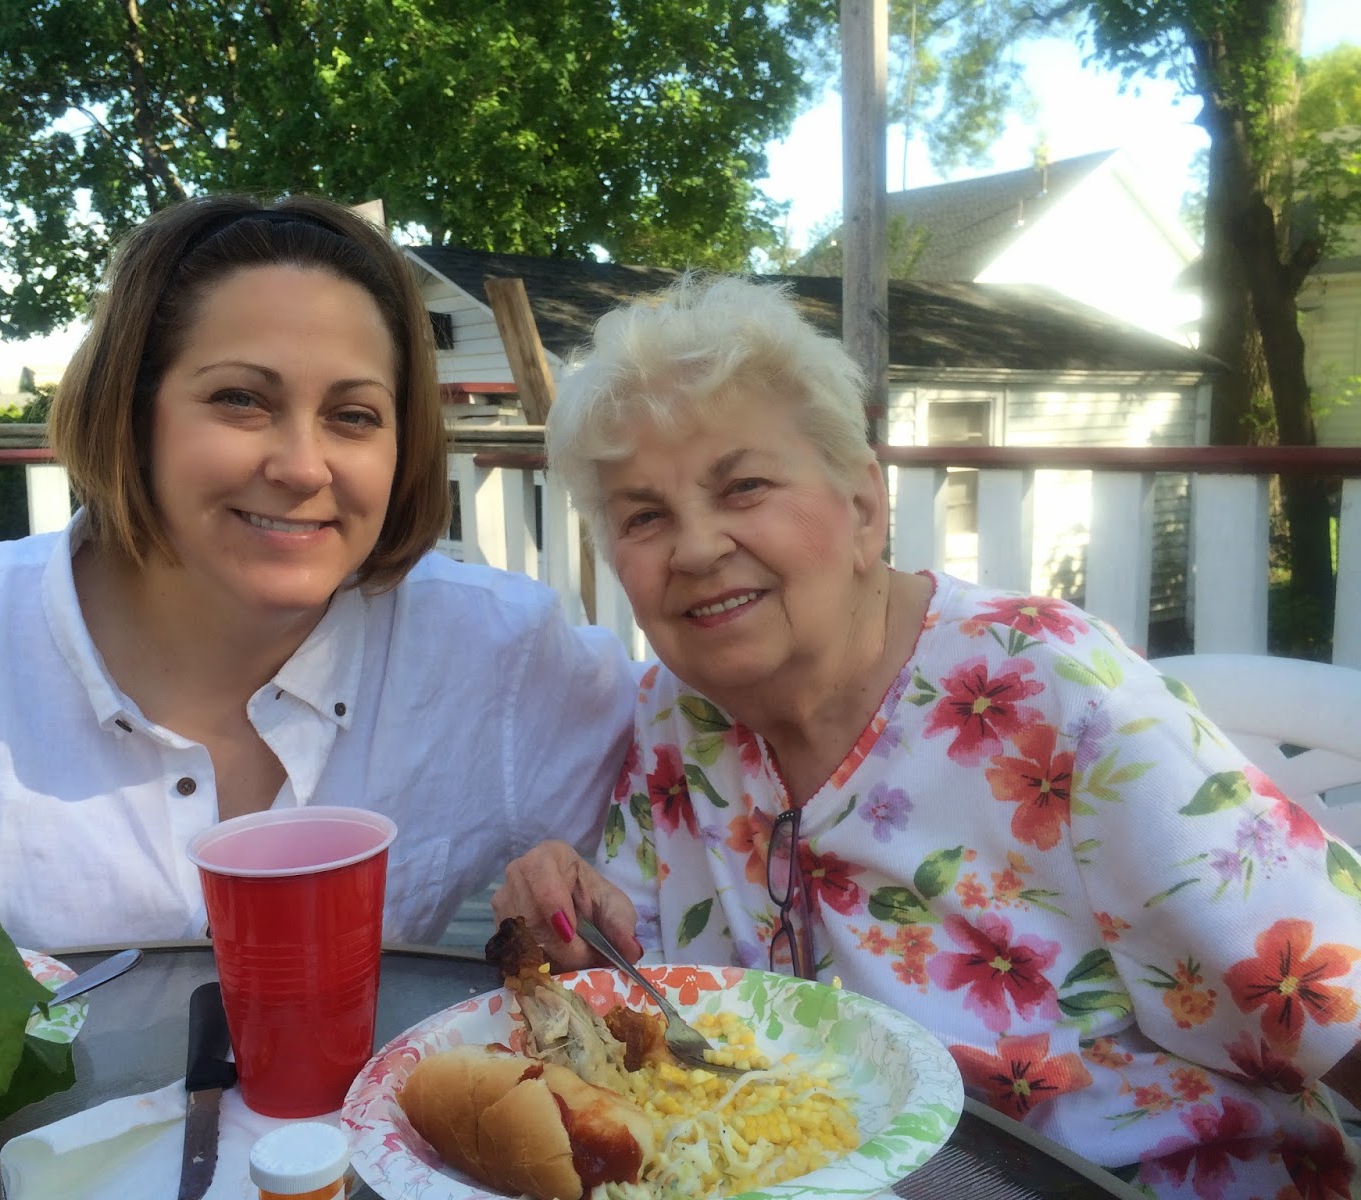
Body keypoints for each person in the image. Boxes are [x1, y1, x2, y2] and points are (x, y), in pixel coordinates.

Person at [495, 273, 1361, 1196]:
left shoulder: (1048, 686)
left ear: (864, 507)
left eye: (744, 486)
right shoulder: (678, 711)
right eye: (644, 516)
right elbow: (643, 992)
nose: (697, 546)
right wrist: (573, 918)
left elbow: (1337, 1005)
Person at [0, 194, 635, 952]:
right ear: (132, 413)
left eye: (354, 415)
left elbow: (698, 742)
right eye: (240, 400)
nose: (303, 467)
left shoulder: (497, 658)